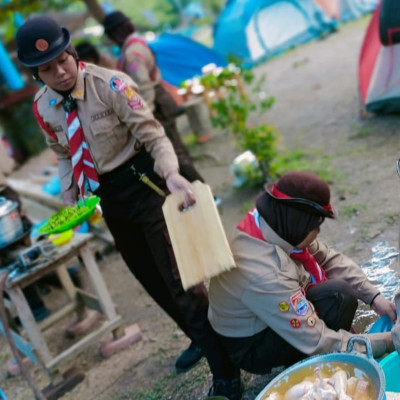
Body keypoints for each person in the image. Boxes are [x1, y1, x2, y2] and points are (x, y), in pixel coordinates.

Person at [15, 16, 242, 399]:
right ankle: (200, 339)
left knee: (181, 281)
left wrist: (171, 174)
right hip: (108, 201)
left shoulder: (112, 85)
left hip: (145, 186)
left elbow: (154, 134)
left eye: (62, 60)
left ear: (72, 52)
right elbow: (63, 153)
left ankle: (226, 370)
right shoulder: (45, 107)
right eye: (47, 69)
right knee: (151, 282)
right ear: (37, 75)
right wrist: (71, 196)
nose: (60, 72)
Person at [208, 170, 397, 375]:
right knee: (338, 297)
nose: (319, 232)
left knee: (338, 293)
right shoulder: (266, 273)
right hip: (252, 343)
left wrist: (374, 297)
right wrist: (388, 341)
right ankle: (309, 367)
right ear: (300, 223)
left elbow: (328, 258)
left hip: (264, 311)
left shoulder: (276, 223)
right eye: (316, 226)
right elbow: (317, 339)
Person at [101, 10, 207, 186]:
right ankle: (197, 188)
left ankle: (200, 189)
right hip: (160, 98)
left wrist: (145, 114)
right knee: (176, 147)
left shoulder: (132, 53)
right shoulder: (137, 44)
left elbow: (144, 86)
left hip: (155, 103)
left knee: (172, 151)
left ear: (115, 34)